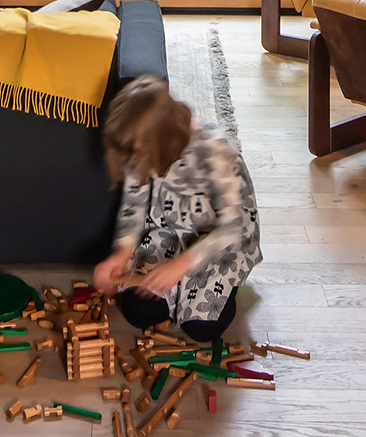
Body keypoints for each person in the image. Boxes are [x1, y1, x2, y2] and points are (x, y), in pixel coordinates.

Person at [92, 76, 261, 341]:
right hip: (168, 229)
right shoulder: (141, 145)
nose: (135, 160)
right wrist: (121, 253)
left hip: (217, 241)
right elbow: (134, 206)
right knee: (139, 310)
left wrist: (181, 266)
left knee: (203, 329)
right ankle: (176, 293)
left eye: (139, 152)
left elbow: (232, 227)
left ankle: (222, 290)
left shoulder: (214, 148)